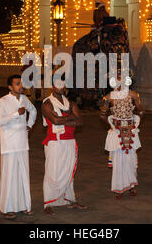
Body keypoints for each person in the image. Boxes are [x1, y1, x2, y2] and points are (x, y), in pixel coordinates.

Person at [41, 80, 86, 215]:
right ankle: (48, 202)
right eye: (57, 85)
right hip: (55, 141)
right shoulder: (47, 103)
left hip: (70, 141)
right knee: (52, 172)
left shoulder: (71, 103)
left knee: (69, 171)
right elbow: (55, 121)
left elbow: (80, 121)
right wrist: (71, 117)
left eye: (63, 85)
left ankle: (70, 199)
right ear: (52, 87)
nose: (61, 87)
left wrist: (64, 119)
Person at [0, 74, 37, 219]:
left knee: (23, 174)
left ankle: (25, 205)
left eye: (21, 83)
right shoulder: (3, 101)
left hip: (22, 142)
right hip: (9, 144)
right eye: (17, 84)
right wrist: (16, 113)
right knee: (9, 175)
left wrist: (29, 125)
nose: (21, 86)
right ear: (10, 87)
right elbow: (0, 121)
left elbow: (33, 110)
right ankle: (8, 208)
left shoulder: (25, 99)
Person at [100, 73, 144, 200]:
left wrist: (135, 123)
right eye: (117, 79)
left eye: (122, 79)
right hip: (116, 132)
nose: (120, 82)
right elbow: (102, 115)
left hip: (131, 131)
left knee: (131, 159)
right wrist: (111, 125)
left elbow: (141, 111)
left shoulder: (133, 95)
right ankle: (119, 188)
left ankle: (131, 185)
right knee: (118, 160)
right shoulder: (108, 97)